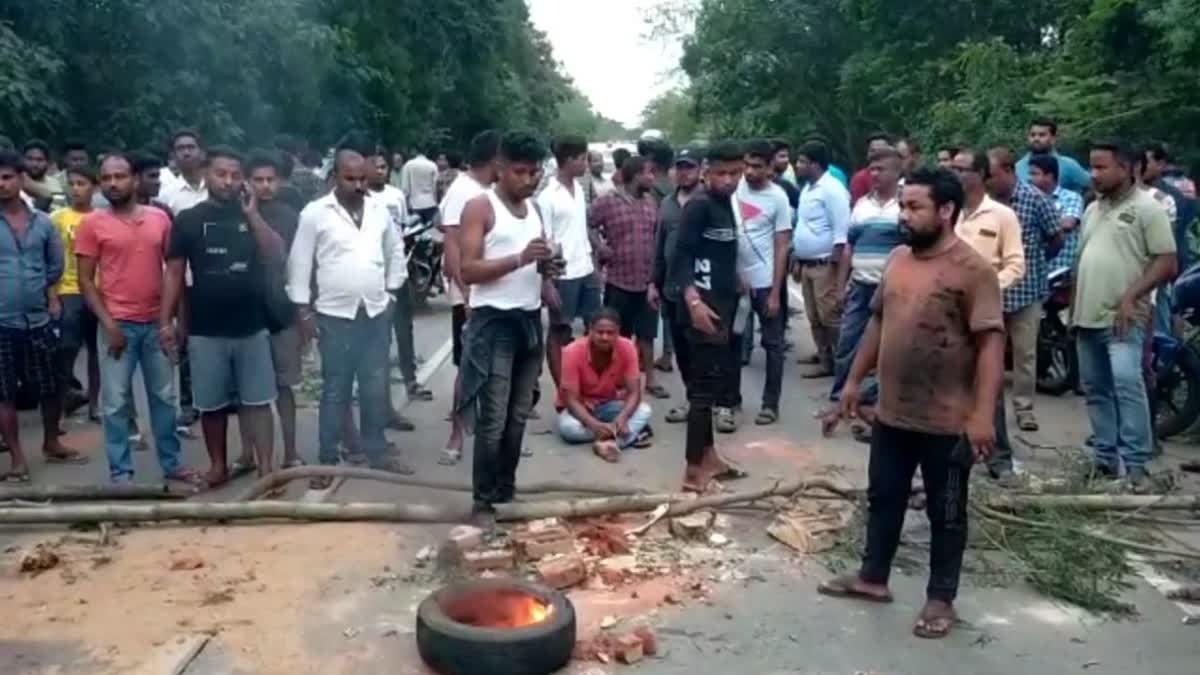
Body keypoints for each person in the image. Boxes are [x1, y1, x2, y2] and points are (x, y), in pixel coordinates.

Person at [820, 167, 1004, 640]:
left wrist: (982, 416)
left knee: (946, 512)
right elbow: (879, 323)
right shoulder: (899, 257)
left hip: (947, 420)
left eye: (914, 207)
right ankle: (872, 577)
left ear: (946, 210)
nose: (904, 215)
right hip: (893, 413)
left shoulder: (974, 270)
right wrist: (854, 380)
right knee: (884, 497)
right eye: (902, 205)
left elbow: (990, 346)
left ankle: (941, 599)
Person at [288, 146, 410, 488]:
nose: (358, 185)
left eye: (362, 179)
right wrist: (302, 309)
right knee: (335, 391)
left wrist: (392, 294)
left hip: (373, 311)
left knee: (373, 387)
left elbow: (394, 252)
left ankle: (377, 451)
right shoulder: (315, 213)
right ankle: (327, 461)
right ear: (334, 177)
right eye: (350, 178)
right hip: (334, 316)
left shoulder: (378, 211)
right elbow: (300, 263)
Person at [161, 147, 283, 486]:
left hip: (252, 325)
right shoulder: (188, 220)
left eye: (234, 175)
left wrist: (253, 215)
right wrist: (165, 322)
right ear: (206, 174)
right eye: (220, 174)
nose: (228, 181)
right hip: (205, 328)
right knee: (211, 406)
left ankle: (267, 470)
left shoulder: (254, 215)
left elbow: (274, 254)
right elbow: (173, 273)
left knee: (258, 402)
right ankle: (218, 467)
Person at [76, 153, 198, 485]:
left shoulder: (160, 219)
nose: (113, 183)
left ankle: (172, 464)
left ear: (134, 179)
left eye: (119, 176)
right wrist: (109, 324)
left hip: (156, 324)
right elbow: (86, 280)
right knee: (115, 403)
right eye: (107, 178)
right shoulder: (92, 225)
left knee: (164, 398)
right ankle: (121, 473)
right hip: (118, 326)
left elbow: (175, 273)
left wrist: (173, 321)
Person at [457, 131, 558, 524]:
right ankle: (482, 501)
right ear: (500, 168)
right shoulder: (480, 207)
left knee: (519, 414)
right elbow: (468, 269)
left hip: (529, 320)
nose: (528, 179)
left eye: (534, 172)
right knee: (494, 418)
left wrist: (548, 268)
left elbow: (537, 262)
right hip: (493, 323)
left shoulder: (535, 209)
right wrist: (519, 258)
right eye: (520, 171)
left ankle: (505, 488)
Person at [1074, 140, 1177, 490]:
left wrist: (1132, 295)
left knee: (1126, 385)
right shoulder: (1092, 209)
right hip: (1086, 316)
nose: (1094, 174)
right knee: (1096, 390)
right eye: (1092, 166)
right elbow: (1082, 261)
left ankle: (1136, 466)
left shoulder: (1149, 209)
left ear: (1127, 168)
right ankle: (1104, 461)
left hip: (1123, 318)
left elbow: (1166, 261)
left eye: (1102, 167)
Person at [0, 150, 88, 483]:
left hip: (38, 318)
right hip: (1, 322)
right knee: (4, 393)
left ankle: (52, 442)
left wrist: (47, 294)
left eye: (8, 177)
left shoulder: (43, 223)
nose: (1, 184)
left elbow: (55, 266)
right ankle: (18, 458)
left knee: (51, 386)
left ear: (22, 180)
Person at [673, 141, 750, 493]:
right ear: (706, 171)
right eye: (721, 173)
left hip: (723, 306)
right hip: (700, 310)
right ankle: (693, 472)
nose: (729, 180)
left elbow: (719, 249)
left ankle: (710, 456)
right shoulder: (699, 206)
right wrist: (693, 301)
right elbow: (681, 258)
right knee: (702, 395)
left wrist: (734, 276)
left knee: (714, 386)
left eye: (736, 173)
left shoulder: (725, 204)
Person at [951, 148, 1024, 484]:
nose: (956, 174)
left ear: (981, 174)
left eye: (963, 169)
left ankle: (1000, 458)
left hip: (983, 312)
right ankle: (955, 453)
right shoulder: (949, 213)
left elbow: (1015, 265)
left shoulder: (1001, 216)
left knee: (987, 384)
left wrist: (987, 289)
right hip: (948, 310)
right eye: (952, 168)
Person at [437, 130, 501, 466]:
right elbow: (451, 249)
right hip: (471, 296)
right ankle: (457, 434)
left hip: (490, 293)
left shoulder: (485, 192)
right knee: (467, 366)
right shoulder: (463, 191)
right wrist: (465, 296)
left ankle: (491, 436)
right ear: (494, 160)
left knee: (492, 368)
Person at [986, 145, 1061, 435]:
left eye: (991, 175)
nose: (988, 181)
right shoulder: (985, 203)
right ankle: (989, 408)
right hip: (992, 291)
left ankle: (1024, 408)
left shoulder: (1035, 200)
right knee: (989, 352)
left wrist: (1035, 264)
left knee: (1024, 354)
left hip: (1026, 291)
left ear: (1008, 171)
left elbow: (1055, 238)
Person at [829, 148, 905, 430]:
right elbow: (849, 246)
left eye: (881, 169)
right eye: (871, 169)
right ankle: (840, 400)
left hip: (894, 290)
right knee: (847, 343)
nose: (874, 174)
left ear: (897, 173)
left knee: (890, 351)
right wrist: (841, 285)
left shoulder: (906, 204)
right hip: (861, 286)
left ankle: (881, 406)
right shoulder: (861, 204)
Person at [245, 150, 305, 471]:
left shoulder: (290, 216)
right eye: (258, 180)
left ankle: (292, 452)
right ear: (247, 182)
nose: (265, 186)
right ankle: (248, 453)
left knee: (285, 387)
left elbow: (297, 265)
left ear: (279, 182)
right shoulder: (235, 213)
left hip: (282, 312)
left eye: (270, 180)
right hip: (245, 315)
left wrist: (302, 313)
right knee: (249, 394)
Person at [591, 156, 668, 400]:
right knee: (618, 334)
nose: (652, 178)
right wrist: (600, 247)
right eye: (648, 173)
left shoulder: (651, 203)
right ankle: (617, 381)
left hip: (646, 281)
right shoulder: (607, 202)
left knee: (646, 334)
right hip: (618, 279)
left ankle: (650, 381)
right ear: (635, 175)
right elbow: (589, 224)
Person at [730, 139, 792, 428]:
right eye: (747, 165)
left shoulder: (778, 198)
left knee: (773, 344)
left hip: (765, 282)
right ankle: (730, 402)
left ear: (770, 168)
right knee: (731, 341)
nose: (750, 172)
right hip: (734, 283)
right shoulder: (733, 189)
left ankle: (771, 404)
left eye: (757, 166)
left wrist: (776, 293)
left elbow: (782, 246)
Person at [367, 149, 433, 413]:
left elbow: (405, 227)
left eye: (384, 167)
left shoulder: (396, 196)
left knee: (404, 329)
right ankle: (376, 394)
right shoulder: (364, 199)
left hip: (399, 271)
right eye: (377, 167)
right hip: (374, 276)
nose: (381, 171)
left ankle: (411, 380)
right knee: (378, 336)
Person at [539, 135, 600, 388]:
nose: (586, 163)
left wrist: (595, 259)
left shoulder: (578, 189)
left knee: (594, 328)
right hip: (562, 275)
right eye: (583, 158)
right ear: (569, 160)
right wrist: (547, 282)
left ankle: (589, 384)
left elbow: (582, 229)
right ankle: (563, 390)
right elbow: (544, 240)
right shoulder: (547, 197)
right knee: (559, 331)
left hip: (585, 269)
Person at [556, 308, 654, 460]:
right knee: (568, 429)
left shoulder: (627, 347)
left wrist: (622, 417)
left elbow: (635, 392)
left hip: (609, 403)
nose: (604, 337)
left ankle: (608, 442)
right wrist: (593, 424)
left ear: (618, 332)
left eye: (610, 333)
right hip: (581, 408)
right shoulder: (572, 351)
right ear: (590, 330)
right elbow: (570, 400)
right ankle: (620, 436)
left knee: (645, 410)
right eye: (599, 332)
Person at [158, 128, 208, 428]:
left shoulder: (214, 186)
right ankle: (190, 402)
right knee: (186, 339)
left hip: (214, 275)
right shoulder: (168, 195)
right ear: (174, 156)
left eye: (191, 146)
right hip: (184, 277)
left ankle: (219, 397)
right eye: (180, 148)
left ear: (201, 151)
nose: (186, 152)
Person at [652, 145, 705, 426]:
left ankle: (719, 404)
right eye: (680, 167)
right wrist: (653, 282)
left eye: (690, 167)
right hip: (672, 287)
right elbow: (659, 244)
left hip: (703, 288)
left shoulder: (710, 200)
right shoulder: (667, 204)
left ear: (700, 170)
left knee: (707, 349)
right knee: (683, 348)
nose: (684, 173)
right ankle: (692, 399)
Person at [792, 140, 852, 377]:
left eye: (802, 162)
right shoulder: (808, 189)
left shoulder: (832, 189)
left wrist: (836, 271)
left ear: (815, 164)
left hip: (825, 264)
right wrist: (797, 259)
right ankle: (826, 361)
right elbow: (803, 227)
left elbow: (842, 233)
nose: (797, 166)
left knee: (831, 317)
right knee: (814, 317)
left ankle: (844, 362)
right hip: (807, 264)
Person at [49, 166, 99, 418]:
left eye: (82, 183)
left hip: (99, 289)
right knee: (65, 349)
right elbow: (50, 257)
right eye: (72, 184)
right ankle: (61, 401)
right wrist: (52, 293)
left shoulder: (102, 217)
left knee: (97, 350)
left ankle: (94, 403)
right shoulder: (57, 218)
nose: (76, 189)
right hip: (68, 289)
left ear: (94, 187)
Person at [1028, 155, 1085, 272]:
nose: (1029, 178)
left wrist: (1036, 225)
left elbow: (1068, 224)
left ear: (1049, 176)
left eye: (1035, 174)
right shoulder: (1029, 199)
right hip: (1038, 271)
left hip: (1063, 270)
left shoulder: (1070, 197)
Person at [1016, 116, 1090, 193]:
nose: (1036, 139)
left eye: (1042, 135)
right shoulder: (1018, 168)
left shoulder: (1068, 165)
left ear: (1053, 139)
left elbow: (1091, 186)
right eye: (1033, 135)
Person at [850, 133, 894, 205]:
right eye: (873, 151)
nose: (877, 154)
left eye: (881, 150)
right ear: (867, 154)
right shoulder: (860, 178)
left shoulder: (898, 176)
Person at [399, 149, 439, 224]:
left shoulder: (408, 165)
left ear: (415, 152)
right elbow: (435, 187)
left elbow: (405, 188)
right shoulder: (432, 165)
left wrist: (405, 206)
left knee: (416, 232)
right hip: (430, 203)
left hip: (414, 204)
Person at [22, 139, 63, 212]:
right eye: (30, 159)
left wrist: (32, 187)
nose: (34, 164)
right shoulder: (11, 182)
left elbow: (57, 212)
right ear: (22, 159)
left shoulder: (55, 185)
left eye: (39, 160)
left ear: (47, 162)